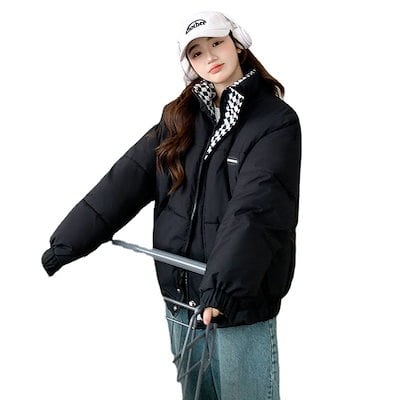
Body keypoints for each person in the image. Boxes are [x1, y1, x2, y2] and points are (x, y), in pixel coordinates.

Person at [41, 10, 301, 400]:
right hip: (182, 302)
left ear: (238, 44)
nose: (210, 57)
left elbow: (256, 209)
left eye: (217, 43)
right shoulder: (180, 118)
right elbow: (124, 180)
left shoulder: (275, 122)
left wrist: (222, 289)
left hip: (236, 305)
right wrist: (68, 242)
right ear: (189, 64)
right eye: (197, 52)